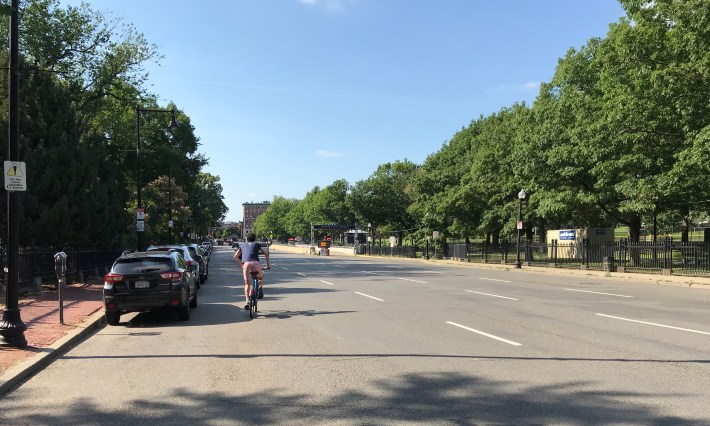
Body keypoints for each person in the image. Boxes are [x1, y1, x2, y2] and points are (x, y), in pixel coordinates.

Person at [234, 232, 270, 310]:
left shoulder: (242, 245)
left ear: (247, 239)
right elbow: (266, 254)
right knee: (261, 277)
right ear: (255, 239)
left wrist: (242, 265)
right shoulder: (257, 244)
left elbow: (236, 256)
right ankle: (259, 287)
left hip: (246, 264)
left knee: (247, 284)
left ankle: (247, 301)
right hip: (256, 263)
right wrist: (268, 265)